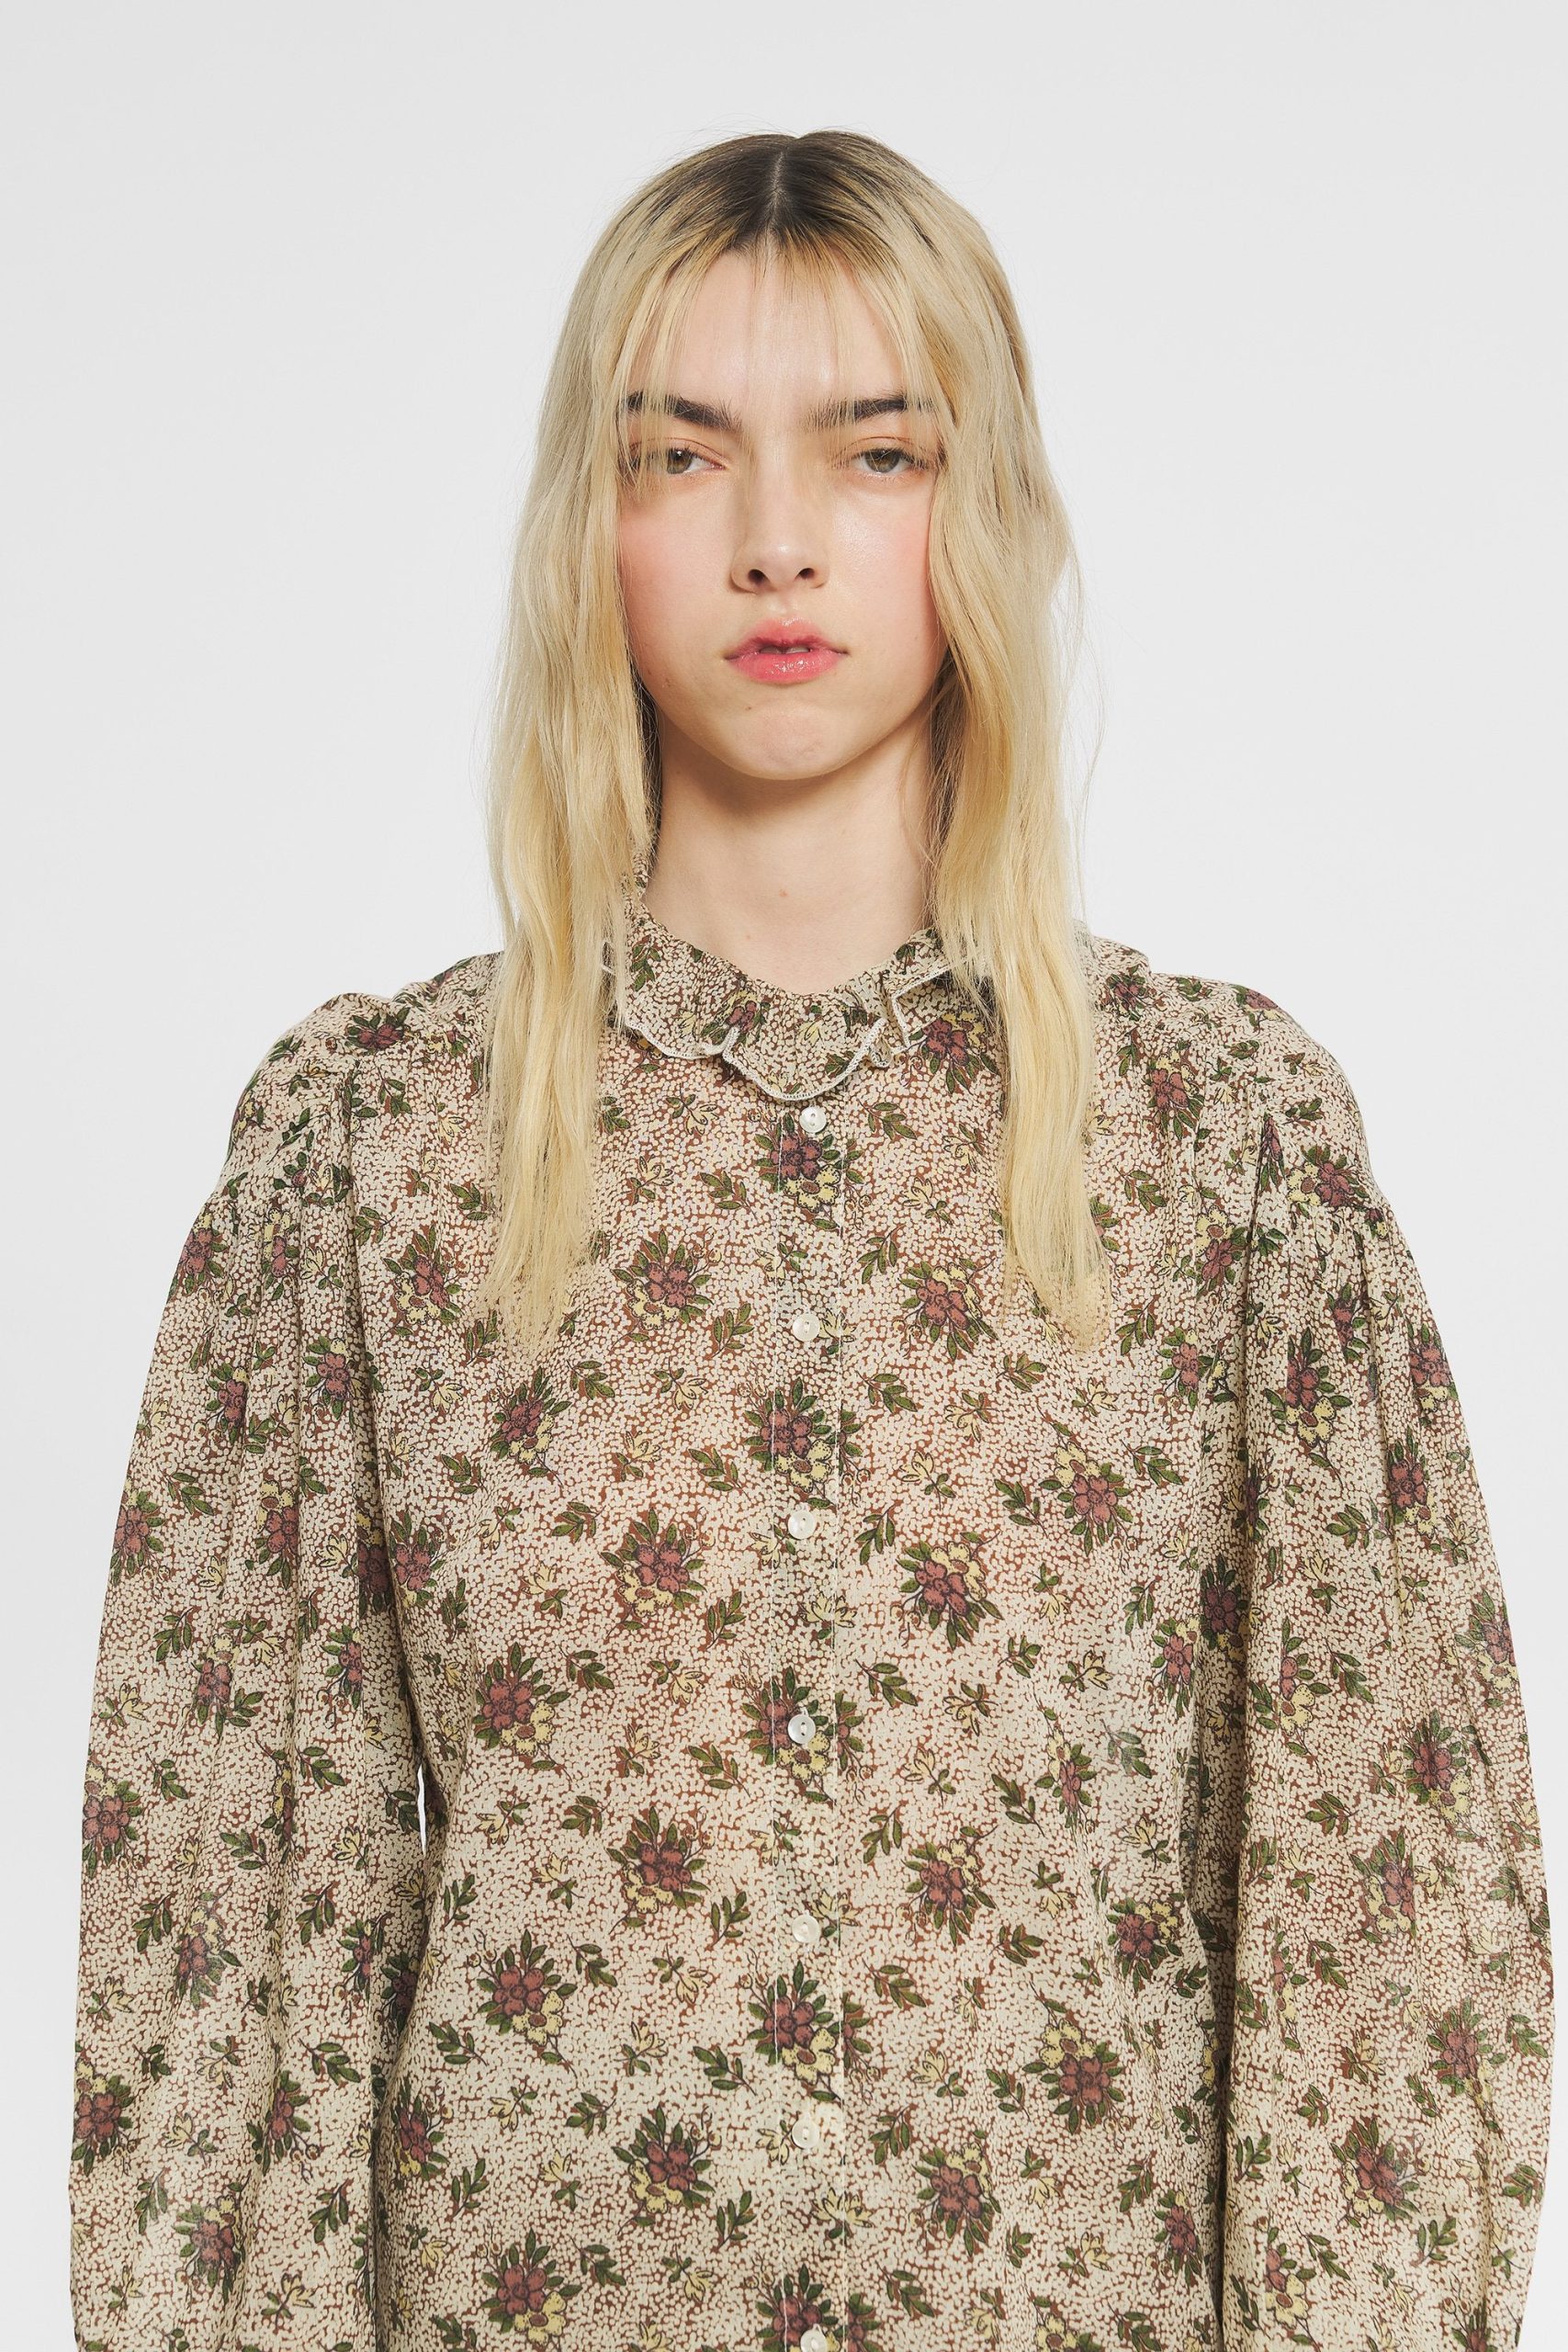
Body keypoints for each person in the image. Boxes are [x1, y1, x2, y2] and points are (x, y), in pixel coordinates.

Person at [69, 130, 1552, 2352]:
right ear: (590, 526)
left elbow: (1381, 1918)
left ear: (983, 508)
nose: (775, 537)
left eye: (874, 451)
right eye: (681, 455)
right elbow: (232, 1920)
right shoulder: (366, 1153)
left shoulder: (1222, 1149)